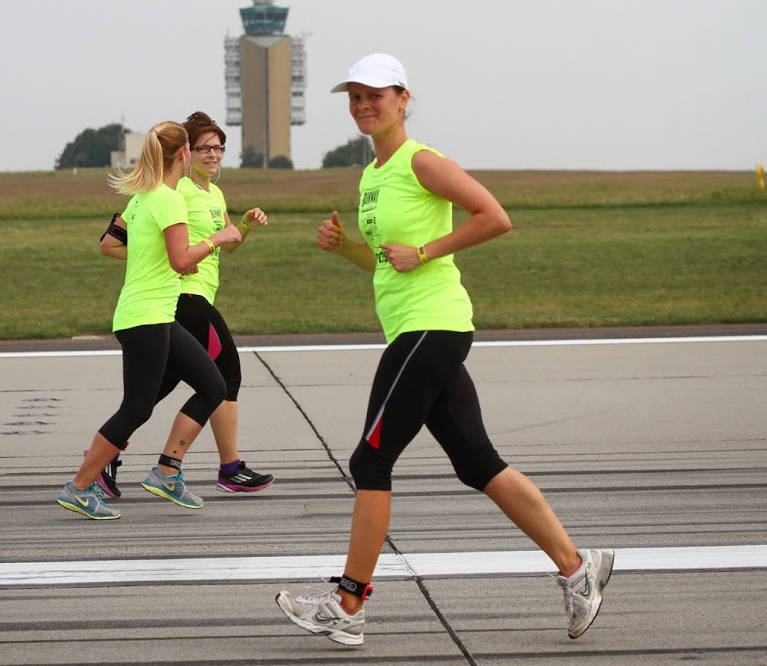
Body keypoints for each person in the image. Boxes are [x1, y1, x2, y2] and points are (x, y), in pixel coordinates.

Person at [275, 54, 613, 645]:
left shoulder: (422, 162)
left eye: (374, 94)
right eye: (353, 96)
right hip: (416, 328)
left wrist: (429, 251)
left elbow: (495, 217)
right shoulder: (372, 176)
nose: (362, 105)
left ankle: (348, 604)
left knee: (369, 462)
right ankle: (578, 570)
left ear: (404, 99)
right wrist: (345, 247)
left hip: (432, 327)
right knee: (477, 463)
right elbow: (386, 262)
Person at [56, 121, 243, 520]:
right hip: (147, 317)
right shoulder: (169, 200)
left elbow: (120, 246)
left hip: (154, 315)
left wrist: (182, 260)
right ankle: (80, 486)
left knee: (213, 385)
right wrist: (218, 239)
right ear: (184, 155)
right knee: (136, 409)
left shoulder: (142, 198)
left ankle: (165, 472)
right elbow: (181, 259)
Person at [96, 111, 274, 499]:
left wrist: (243, 225)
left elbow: (229, 242)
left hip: (195, 298)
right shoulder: (175, 193)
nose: (214, 154)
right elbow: (111, 243)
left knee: (153, 391)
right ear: (186, 154)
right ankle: (226, 467)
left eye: (219, 147)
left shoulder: (215, 194)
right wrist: (160, 257)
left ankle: (105, 456)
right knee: (224, 379)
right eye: (204, 148)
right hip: (185, 299)